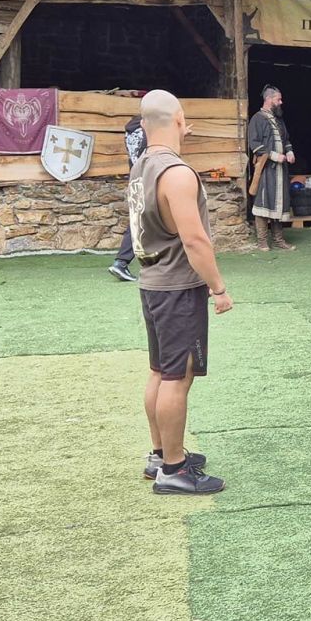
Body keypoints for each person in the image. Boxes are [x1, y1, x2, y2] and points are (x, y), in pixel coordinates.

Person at [130, 89, 231, 495]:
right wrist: (218, 288)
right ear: (179, 120)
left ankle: (161, 455)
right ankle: (173, 469)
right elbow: (195, 239)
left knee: (160, 371)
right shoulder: (177, 173)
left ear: (143, 125)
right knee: (177, 376)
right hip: (177, 287)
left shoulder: (140, 167)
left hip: (152, 282)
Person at [247, 85, 296, 252]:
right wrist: (274, 156)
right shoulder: (257, 119)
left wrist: (289, 152)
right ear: (268, 99)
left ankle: (278, 240)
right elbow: (254, 144)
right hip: (265, 169)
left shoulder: (279, 119)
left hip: (281, 170)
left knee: (279, 203)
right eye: (278, 99)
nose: (281, 102)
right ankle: (262, 241)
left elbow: (286, 139)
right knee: (263, 202)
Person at [107, 112, 148, 282]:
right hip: (148, 179)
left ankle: (122, 262)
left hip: (136, 179)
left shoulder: (131, 131)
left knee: (140, 221)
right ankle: (121, 263)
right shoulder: (148, 129)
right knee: (140, 222)